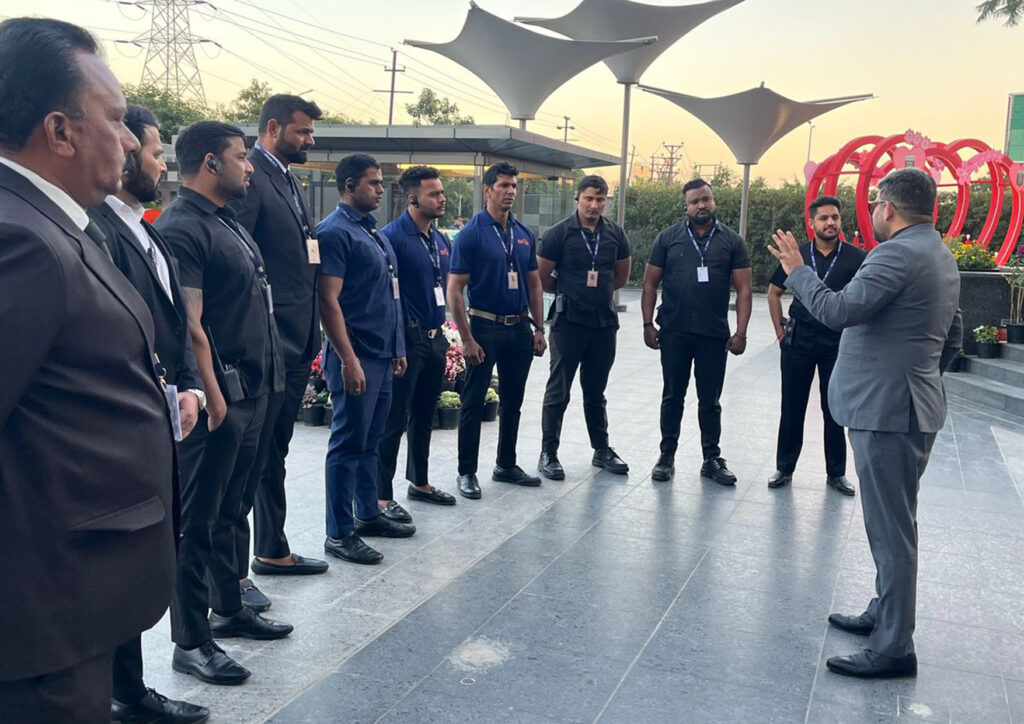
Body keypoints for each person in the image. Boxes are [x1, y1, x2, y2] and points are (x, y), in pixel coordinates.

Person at [0, 18, 176, 723]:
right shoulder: (20, 238)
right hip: (45, 614)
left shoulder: (53, 221)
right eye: (115, 118)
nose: (131, 140)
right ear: (60, 131)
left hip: (74, 599)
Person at [768, 168, 962, 679]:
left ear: (889, 207)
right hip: (908, 406)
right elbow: (954, 335)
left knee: (891, 530)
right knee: (895, 522)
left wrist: (796, 271)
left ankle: (894, 647)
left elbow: (837, 311)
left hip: (889, 412)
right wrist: (920, 377)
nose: (873, 210)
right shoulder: (939, 253)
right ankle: (884, 610)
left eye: (876, 202)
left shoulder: (896, 254)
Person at [157, 121, 292, 687]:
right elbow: (188, 323)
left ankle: (229, 607)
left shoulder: (225, 220)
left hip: (254, 392)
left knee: (232, 511)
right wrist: (212, 396)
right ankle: (191, 641)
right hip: (220, 401)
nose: (250, 166)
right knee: (196, 523)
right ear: (211, 162)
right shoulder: (182, 227)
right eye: (241, 157)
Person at [87, 105, 210, 724]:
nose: (163, 166)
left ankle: (128, 689)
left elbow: (178, 323)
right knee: (119, 562)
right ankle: (122, 692)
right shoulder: (95, 230)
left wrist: (191, 387)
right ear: (126, 152)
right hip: (125, 422)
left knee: (145, 551)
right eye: (157, 154)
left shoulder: (147, 229)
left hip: (164, 412)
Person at [232, 95, 329, 609]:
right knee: (250, 462)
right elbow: (240, 259)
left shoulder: (288, 179)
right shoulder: (251, 177)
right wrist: (261, 332)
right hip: (270, 342)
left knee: (275, 453)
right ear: (273, 128)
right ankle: (235, 578)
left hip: (296, 340)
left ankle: (273, 549)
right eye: (302, 131)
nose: (310, 139)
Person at [318, 153, 413, 566]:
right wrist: (349, 360)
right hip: (356, 356)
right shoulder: (334, 232)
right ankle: (339, 533)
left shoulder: (372, 232)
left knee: (370, 441)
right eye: (373, 183)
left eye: (380, 182)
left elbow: (390, 295)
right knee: (347, 443)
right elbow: (328, 301)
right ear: (349, 185)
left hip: (382, 354)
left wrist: (397, 347)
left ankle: (368, 513)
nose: (380, 189)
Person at [641, 178, 752, 485]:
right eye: (694, 201)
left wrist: (741, 332)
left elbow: (744, 289)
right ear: (685, 206)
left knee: (710, 400)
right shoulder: (668, 238)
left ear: (713, 201)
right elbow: (649, 283)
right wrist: (648, 324)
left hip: (713, 334)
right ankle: (666, 455)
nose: (701, 205)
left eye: (706, 199)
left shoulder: (732, 241)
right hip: (674, 331)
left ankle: (711, 458)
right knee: (672, 396)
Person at [447, 161, 547, 499]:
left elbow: (534, 284)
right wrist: (466, 338)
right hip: (484, 327)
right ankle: (466, 472)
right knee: (473, 401)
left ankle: (506, 464)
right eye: (503, 185)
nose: (510, 192)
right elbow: (455, 289)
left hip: (519, 328)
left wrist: (539, 328)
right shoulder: (471, 234)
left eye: (514, 186)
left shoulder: (523, 234)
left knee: (513, 401)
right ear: (487, 190)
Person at [766, 195, 865, 496]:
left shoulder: (856, 258)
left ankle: (837, 473)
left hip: (837, 343)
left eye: (835, 217)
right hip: (798, 341)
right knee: (792, 406)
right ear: (812, 223)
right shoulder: (796, 255)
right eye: (823, 218)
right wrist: (780, 331)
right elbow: (773, 292)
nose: (830, 222)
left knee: (834, 407)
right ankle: (785, 467)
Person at [537, 174, 631, 480]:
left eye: (600, 199)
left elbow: (621, 276)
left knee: (595, 391)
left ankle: (601, 449)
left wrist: (596, 293)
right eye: (589, 198)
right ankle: (549, 453)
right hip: (568, 323)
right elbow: (541, 277)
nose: (594, 205)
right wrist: (570, 290)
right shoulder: (558, 233)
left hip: (603, 323)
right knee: (558, 391)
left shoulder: (615, 234)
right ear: (577, 198)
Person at [377, 166, 458, 519]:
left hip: (435, 338)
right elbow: (385, 296)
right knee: (394, 420)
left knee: (424, 415)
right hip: (407, 339)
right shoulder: (391, 238)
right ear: (412, 198)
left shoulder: (440, 240)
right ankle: (381, 496)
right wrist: (396, 346)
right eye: (434, 194)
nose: (442, 199)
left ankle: (419, 482)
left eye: (441, 192)